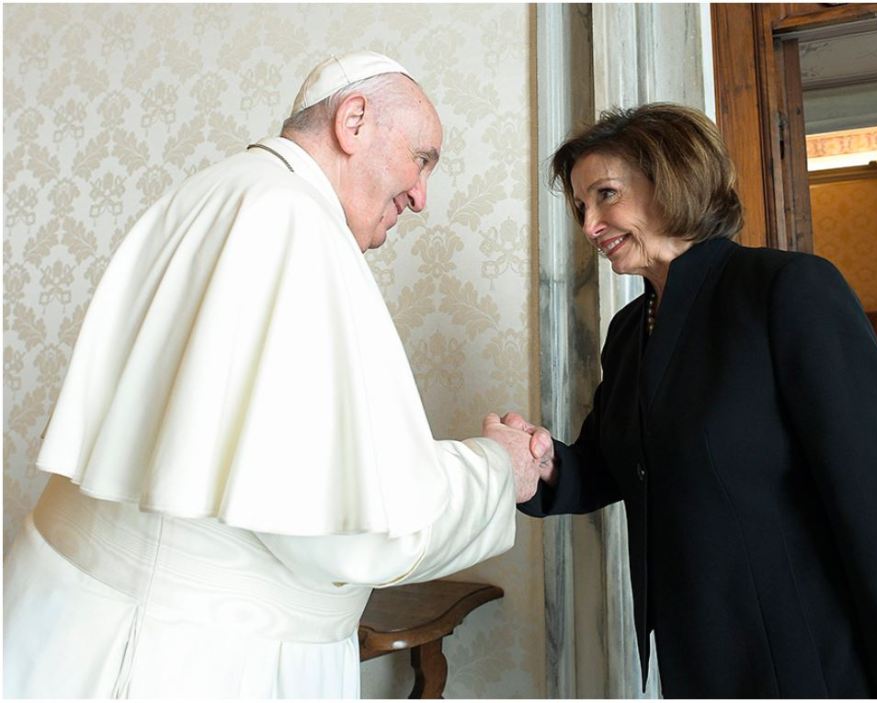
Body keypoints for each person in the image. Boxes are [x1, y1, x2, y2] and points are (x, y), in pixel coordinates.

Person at [3, 51, 550, 699]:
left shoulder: (217, 190)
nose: (420, 196)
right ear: (353, 121)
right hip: (185, 659)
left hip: (70, 617)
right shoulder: (294, 220)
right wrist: (499, 468)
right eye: (421, 159)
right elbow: (356, 533)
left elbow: (280, 459)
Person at [505, 103, 877, 697]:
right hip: (694, 656)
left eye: (606, 195)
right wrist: (544, 464)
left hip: (804, 660)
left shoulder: (789, 290)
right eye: (580, 207)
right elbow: (617, 465)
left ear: (674, 181)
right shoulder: (628, 330)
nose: (590, 226)